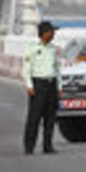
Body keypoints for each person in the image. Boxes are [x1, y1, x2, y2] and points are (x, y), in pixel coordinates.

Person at [22, 21, 60, 155]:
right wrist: (29, 85)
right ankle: (29, 146)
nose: (54, 34)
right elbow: (26, 69)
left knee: (50, 117)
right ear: (45, 33)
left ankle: (47, 145)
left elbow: (57, 68)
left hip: (51, 83)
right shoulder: (32, 48)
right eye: (52, 32)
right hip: (38, 84)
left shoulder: (53, 49)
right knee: (34, 117)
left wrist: (59, 86)